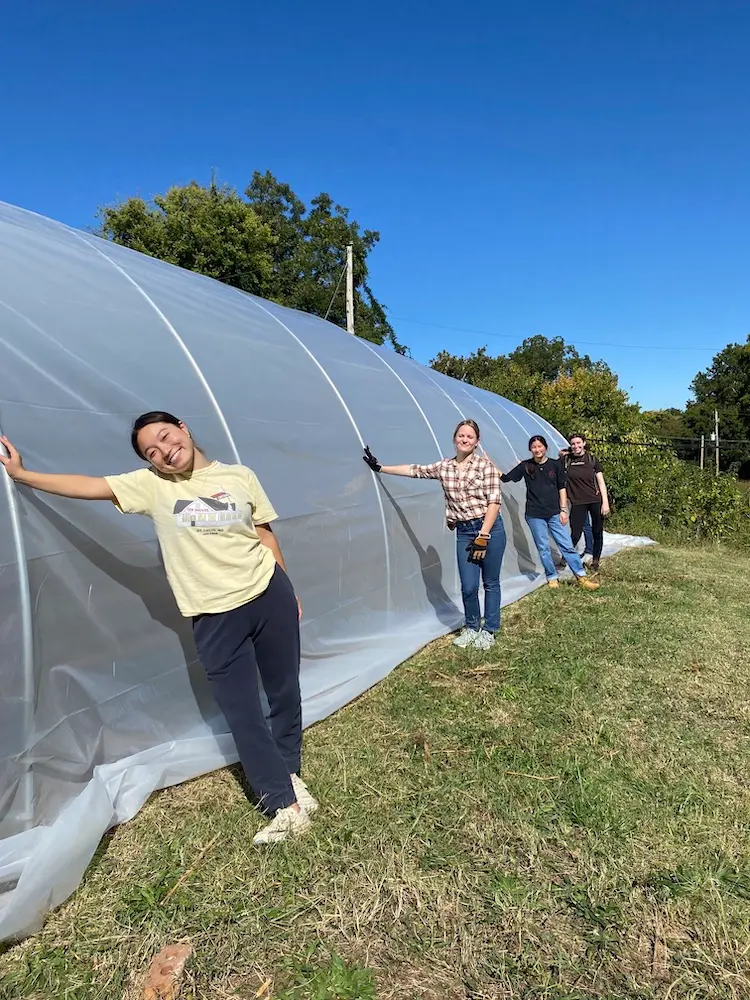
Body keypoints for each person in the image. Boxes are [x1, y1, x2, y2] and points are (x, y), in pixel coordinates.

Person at [0, 412, 316, 845]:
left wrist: (288, 586)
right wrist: (23, 475)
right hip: (213, 615)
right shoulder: (151, 485)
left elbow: (263, 532)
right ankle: (283, 804)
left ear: (184, 429)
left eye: (166, 437)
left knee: (284, 691)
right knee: (242, 711)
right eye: (153, 451)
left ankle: (290, 774)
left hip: (269, 593)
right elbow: (90, 486)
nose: (164, 451)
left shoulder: (240, 475)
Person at [363, 420, 505, 650]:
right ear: (454, 439)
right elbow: (414, 470)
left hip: (489, 529)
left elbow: (494, 502)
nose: (465, 439)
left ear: (477, 442)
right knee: (468, 586)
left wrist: (484, 535)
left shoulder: (485, 467)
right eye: (461, 435)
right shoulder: (444, 467)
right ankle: (471, 627)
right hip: (464, 531)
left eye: (470, 436)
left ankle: (489, 629)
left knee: (490, 582)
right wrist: (381, 468)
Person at [501, 435, 600, 590]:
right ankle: (552, 576)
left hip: (554, 512)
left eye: (540, 446)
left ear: (545, 448)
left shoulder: (555, 465)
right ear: (530, 449)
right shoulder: (526, 466)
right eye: (534, 447)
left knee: (566, 545)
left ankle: (581, 577)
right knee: (543, 547)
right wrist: (490, 464)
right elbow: (506, 478)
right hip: (534, 515)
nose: (537, 449)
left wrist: (563, 510)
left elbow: (562, 487)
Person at [562, 433, 610, 572]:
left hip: (595, 500)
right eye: (573, 444)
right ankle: (566, 558)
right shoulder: (566, 460)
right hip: (577, 502)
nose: (576, 446)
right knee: (575, 533)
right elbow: (548, 465)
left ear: (583, 443)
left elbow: (601, 482)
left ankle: (595, 561)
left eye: (578, 443)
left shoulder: (592, 460)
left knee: (597, 531)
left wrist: (605, 503)